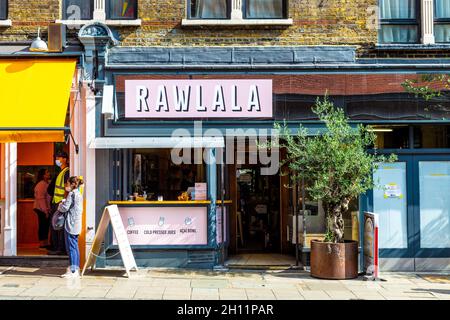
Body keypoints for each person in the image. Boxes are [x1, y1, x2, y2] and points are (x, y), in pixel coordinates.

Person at [58, 176, 83, 278]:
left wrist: (60, 205)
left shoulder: (71, 194)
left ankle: (73, 271)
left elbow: (65, 208)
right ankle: (75, 269)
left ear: (73, 184)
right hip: (76, 223)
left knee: (71, 247)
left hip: (71, 224)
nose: (66, 186)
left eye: (67, 184)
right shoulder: (78, 193)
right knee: (75, 247)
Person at [47, 151, 70, 255]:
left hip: (60, 203)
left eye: (59, 157)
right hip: (56, 202)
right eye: (57, 157)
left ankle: (60, 248)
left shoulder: (66, 172)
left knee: (59, 225)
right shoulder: (61, 172)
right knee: (55, 225)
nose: (57, 160)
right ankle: (56, 247)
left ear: (65, 159)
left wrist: (64, 201)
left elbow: (66, 187)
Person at [33, 169, 51, 249]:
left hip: (43, 208)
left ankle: (45, 243)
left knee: (45, 226)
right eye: (47, 172)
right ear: (43, 175)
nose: (49, 174)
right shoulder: (41, 184)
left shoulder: (45, 183)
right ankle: (42, 243)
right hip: (41, 209)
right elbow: (41, 199)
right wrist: (45, 210)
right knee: (43, 226)